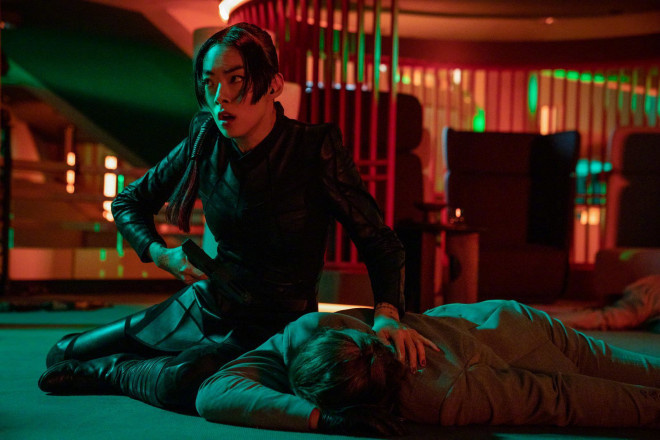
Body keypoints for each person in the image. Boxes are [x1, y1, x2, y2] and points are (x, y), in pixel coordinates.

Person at [38, 22, 434, 411]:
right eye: (209, 83)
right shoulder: (206, 136)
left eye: (235, 80)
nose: (220, 97)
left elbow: (379, 241)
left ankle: (116, 373)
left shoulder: (314, 148)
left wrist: (387, 315)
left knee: (184, 382)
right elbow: (128, 202)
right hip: (208, 302)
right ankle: (145, 365)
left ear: (273, 85)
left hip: (274, 324)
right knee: (62, 353)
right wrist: (163, 255)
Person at [195, 300, 660, 434]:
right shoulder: (314, 331)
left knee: (638, 376)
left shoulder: (444, 392)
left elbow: (559, 398)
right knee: (639, 369)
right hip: (491, 326)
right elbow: (212, 392)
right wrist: (322, 418)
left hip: (526, 337)